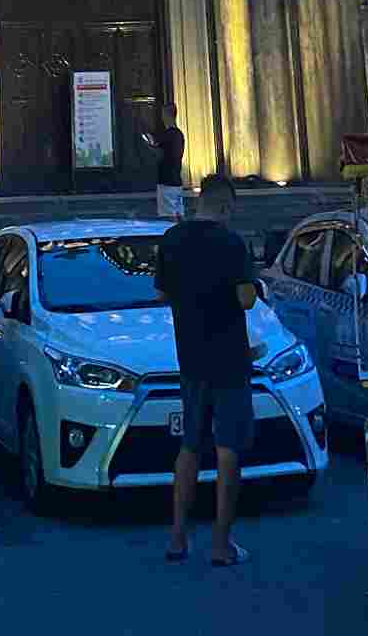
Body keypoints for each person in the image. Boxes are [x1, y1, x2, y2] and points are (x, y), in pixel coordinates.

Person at [155, 172, 257, 569]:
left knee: (189, 447)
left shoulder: (173, 239)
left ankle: (178, 538)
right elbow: (246, 299)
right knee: (229, 448)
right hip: (230, 358)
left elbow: (162, 292)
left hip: (191, 356)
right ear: (227, 205)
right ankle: (221, 544)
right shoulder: (232, 243)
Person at [148, 104, 186, 222]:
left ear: (166, 115)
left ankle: (174, 238)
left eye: (163, 114)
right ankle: (185, 236)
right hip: (176, 180)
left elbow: (160, 155)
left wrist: (150, 145)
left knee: (168, 216)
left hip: (166, 181)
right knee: (179, 213)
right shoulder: (179, 134)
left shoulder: (167, 135)